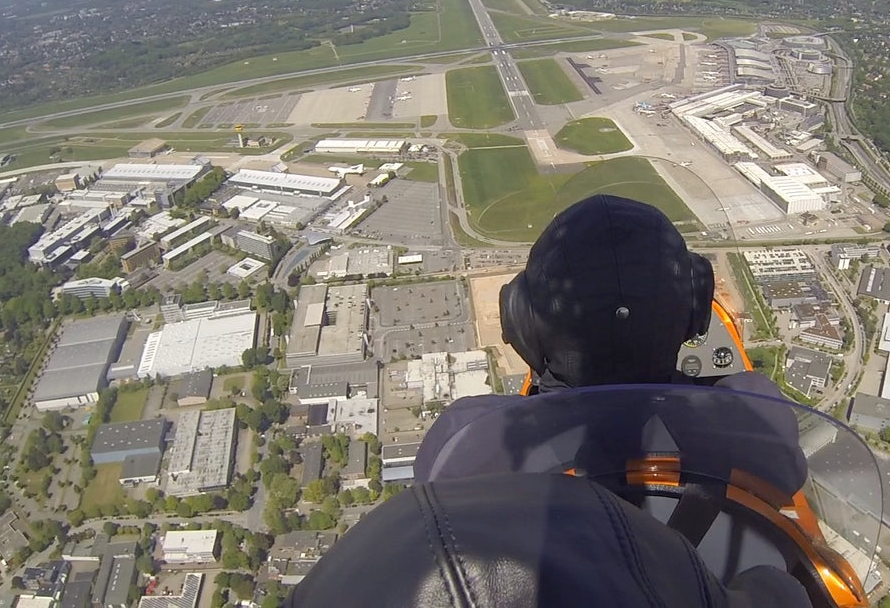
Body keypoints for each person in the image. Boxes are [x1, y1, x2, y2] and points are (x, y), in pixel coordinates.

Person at [288, 195, 813, 607]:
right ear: (696, 311)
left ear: (520, 323)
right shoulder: (757, 418)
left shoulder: (470, 441)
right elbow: (786, 477)